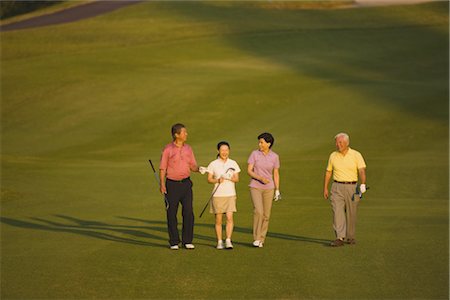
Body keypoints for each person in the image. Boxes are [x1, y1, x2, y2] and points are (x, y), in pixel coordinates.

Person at [159, 123, 206, 250]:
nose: (186, 134)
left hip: (186, 184)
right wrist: (162, 184)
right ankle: (174, 241)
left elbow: (192, 165)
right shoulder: (168, 149)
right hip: (171, 185)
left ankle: (187, 241)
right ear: (176, 135)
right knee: (171, 213)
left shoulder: (188, 149)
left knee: (188, 212)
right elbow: (163, 168)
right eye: (184, 132)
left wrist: (199, 169)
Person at [323, 132, 367, 247]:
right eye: (337, 142)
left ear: (347, 143)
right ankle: (339, 237)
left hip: (352, 187)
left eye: (340, 142)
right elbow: (328, 172)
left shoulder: (356, 155)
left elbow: (361, 170)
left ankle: (350, 236)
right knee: (337, 211)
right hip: (336, 187)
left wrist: (363, 183)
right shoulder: (333, 155)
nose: (338, 145)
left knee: (351, 213)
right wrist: (325, 188)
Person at [247, 132, 281, 248]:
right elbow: (249, 170)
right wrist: (260, 178)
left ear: (268, 144)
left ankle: (261, 239)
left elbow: (276, 174)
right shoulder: (254, 154)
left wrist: (277, 190)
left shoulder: (275, 157)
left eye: (262, 142)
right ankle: (256, 238)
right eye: (259, 142)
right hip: (255, 186)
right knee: (258, 211)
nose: (259, 144)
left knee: (266, 215)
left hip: (269, 188)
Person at [206, 141, 241, 250]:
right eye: (222, 150)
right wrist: (217, 180)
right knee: (219, 220)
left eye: (226, 150)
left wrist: (228, 177)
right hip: (218, 195)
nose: (224, 152)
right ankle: (220, 241)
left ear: (229, 151)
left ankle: (228, 240)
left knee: (230, 217)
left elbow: (237, 179)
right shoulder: (213, 164)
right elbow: (209, 179)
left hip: (230, 194)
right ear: (218, 151)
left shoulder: (233, 163)